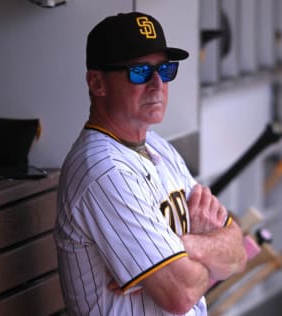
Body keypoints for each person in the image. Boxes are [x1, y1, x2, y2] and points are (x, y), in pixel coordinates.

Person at [54, 11, 247, 316]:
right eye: (140, 71)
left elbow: (238, 250)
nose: (158, 84)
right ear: (97, 82)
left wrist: (186, 246)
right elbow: (181, 294)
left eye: (165, 69)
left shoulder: (157, 145)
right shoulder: (104, 171)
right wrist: (208, 252)